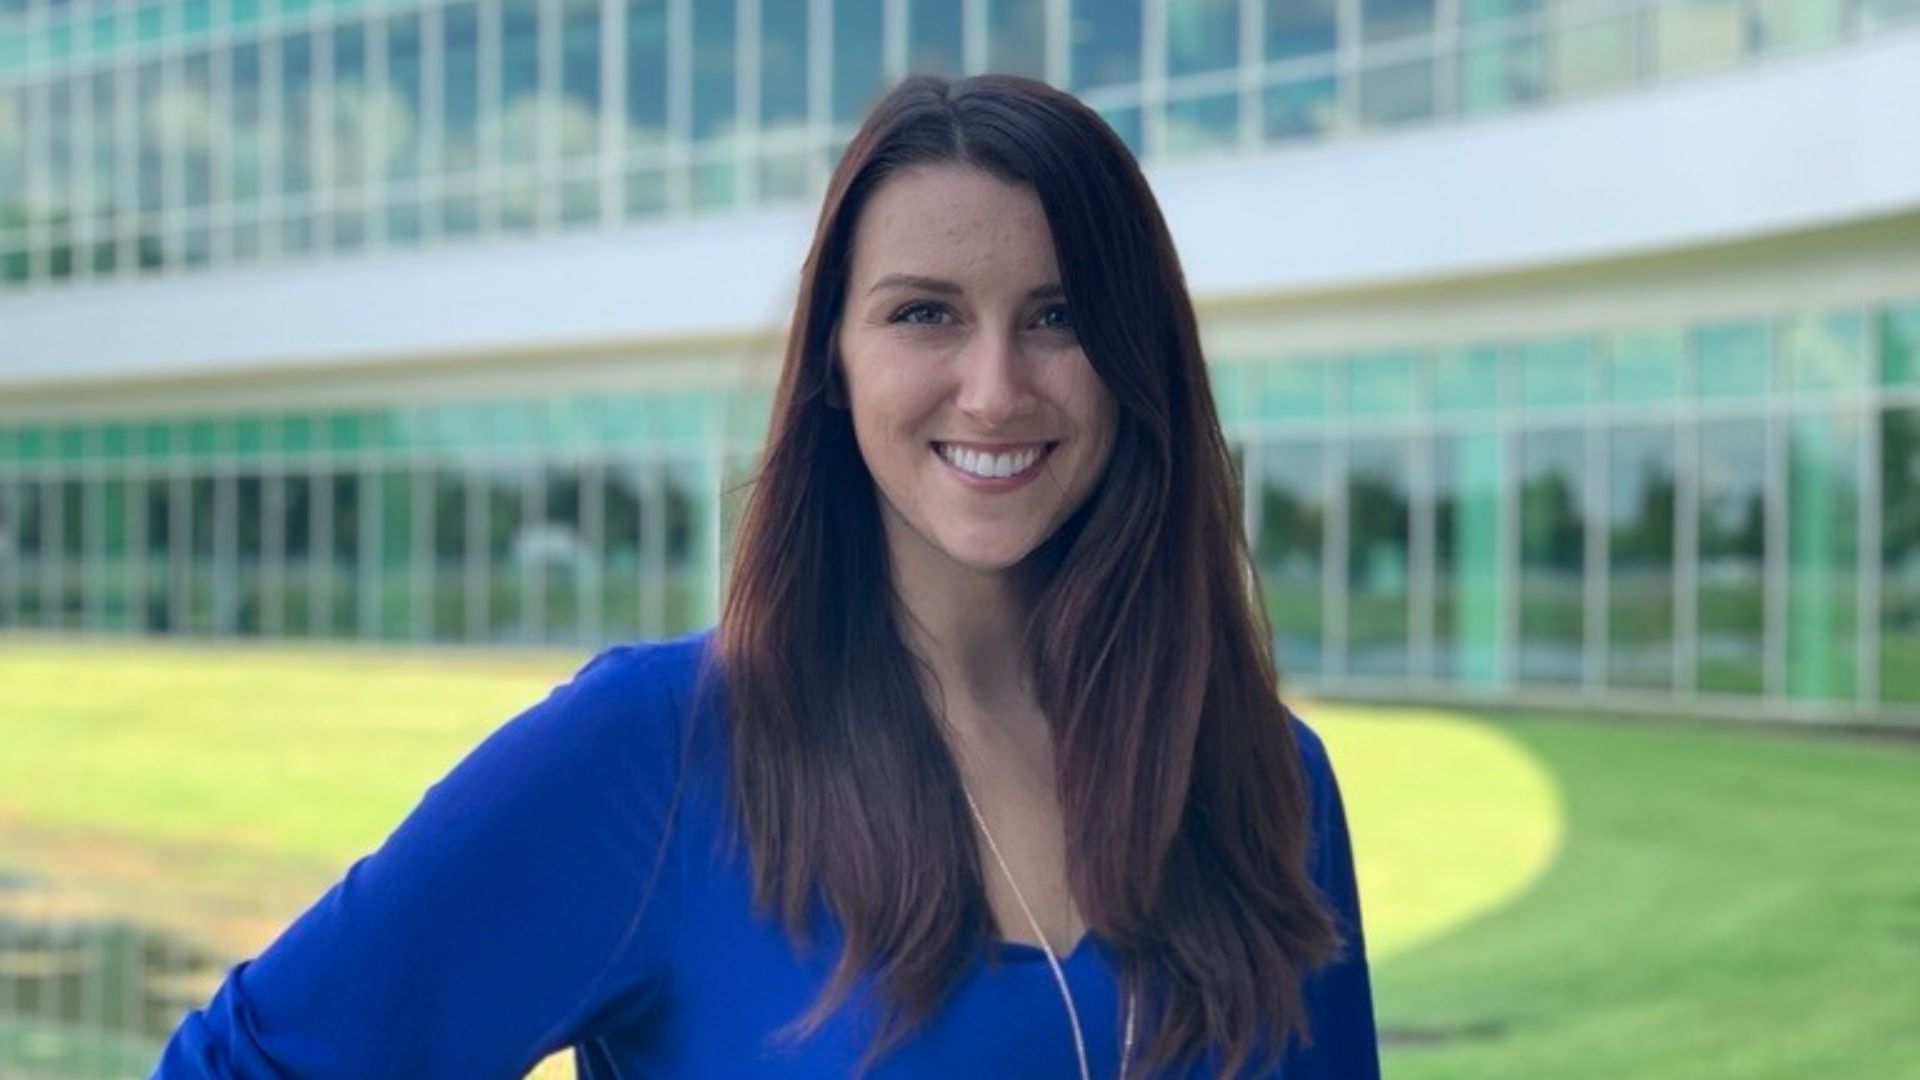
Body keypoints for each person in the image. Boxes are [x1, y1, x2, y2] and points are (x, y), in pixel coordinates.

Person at [152, 73, 1378, 1079]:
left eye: (1058, 317)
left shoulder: (1268, 783)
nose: (997, 388)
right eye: (924, 315)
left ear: (1136, 362)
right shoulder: (663, 757)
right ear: (834, 363)